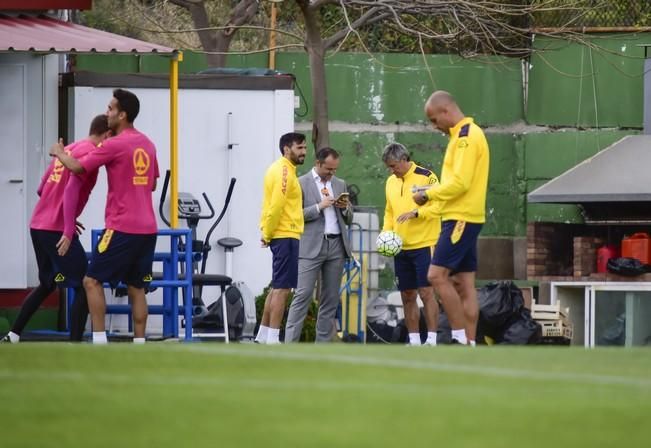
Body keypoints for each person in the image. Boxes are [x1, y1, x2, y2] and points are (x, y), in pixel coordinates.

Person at [50, 89, 159, 345]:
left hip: (122, 226)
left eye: (110, 109)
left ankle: (99, 342)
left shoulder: (114, 144)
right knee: (136, 287)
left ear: (122, 115)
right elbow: (152, 184)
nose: (106, 112)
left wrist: (59, 152)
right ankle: (140, 344)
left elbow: (78, 166)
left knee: (91, 280)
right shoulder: (148, 143)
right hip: (148, 229)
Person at [1, 115, 111, 343]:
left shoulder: (67, 149)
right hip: (56, 229)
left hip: (38, 225)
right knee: (85, 283)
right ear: (106, 135)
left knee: (48, 283)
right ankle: (75, 344)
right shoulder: (90, 155)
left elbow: (42, 189)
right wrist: (68, 226)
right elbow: (71, 189)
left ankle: (13, 335)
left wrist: (62, 214)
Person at [413, 90, 490, 346]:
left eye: (435, 120)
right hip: (462, 216)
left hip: (461, 218)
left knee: (436, 276)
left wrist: (427, 193)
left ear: (446, 111)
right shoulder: (461, 136)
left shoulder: (466, 137)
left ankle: (458, 337)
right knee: (463, 283)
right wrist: (428, 205)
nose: (435, 127)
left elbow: (460, 183)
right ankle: (470, 342)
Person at [284, 147, 353, 343]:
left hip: (336, 245)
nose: (332, 173)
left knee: (330, 298)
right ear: (318, 163)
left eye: (334, 170)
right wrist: (318, 207)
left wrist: (345, 208)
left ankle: (321, 346)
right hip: (310, 246)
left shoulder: (340, 184)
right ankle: (289, 344)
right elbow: (294, 215)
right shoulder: (300, 183)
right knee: (303, 295)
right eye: (328, 169)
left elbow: (348, 218)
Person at [382, 142, 441, 346]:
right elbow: (389, 211)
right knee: (407, 295)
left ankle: (432, 339)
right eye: (389, 167)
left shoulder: (427, 176)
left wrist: (417, 212)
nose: (391, 171)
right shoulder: (390, 182)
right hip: (401, 247)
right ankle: (414, 340)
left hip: (424, 244)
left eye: (393, 166)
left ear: (404, 160)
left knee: (426, 292)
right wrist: (386, 234)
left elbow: (439, 205)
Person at [256, 132, 306, 345]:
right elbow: (276, 205)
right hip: (285, 233)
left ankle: (263, 335)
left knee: (277, 287)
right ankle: (274, 338)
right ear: (287, 149)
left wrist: (268, 232)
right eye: (299, 148)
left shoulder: (283, 169)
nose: (304, 152)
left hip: (282, 233)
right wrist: (267, 233)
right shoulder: (284, 170)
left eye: (304, 148)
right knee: (283, 289)